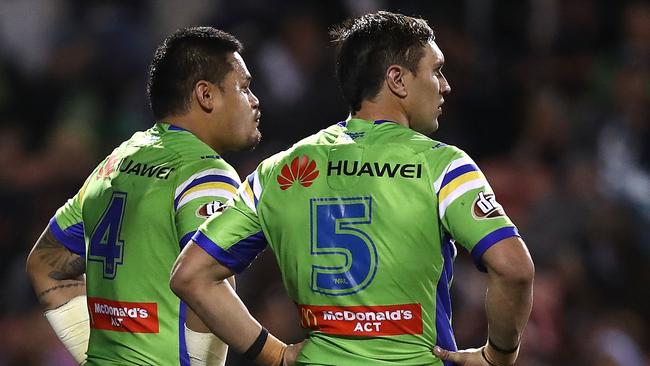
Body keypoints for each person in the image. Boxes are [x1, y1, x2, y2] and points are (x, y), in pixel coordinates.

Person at [170, 11, 534, 366]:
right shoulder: (441, 165)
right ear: (398, 80)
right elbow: (514, 268)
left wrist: (273, 353)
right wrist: (498, 355)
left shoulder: (280, 170)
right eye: (436, 70)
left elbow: (192, 276)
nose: (445, 85)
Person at [26, 26, 262, 365]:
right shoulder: (206, 172)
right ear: (205, 95)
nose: (254, 101)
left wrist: (96, 355)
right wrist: (273, 352)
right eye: (244, 87)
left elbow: (43, 264)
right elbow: (203, 283)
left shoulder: (117, 160)